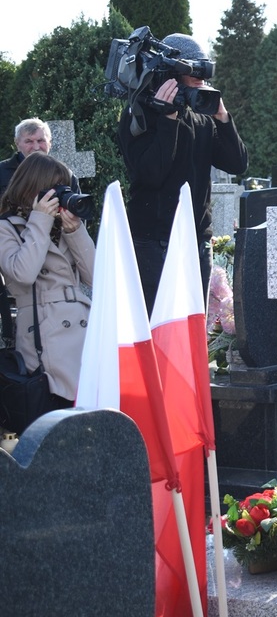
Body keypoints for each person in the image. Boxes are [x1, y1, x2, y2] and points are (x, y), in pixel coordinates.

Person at [118, 33, 248, 315]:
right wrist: (168, 119)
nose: (201, 80)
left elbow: (237, 164)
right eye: (194, 71)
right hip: (154, 243)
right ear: (172, 74)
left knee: (193, 327)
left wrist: (223, 119)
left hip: (196, 241)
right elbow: (151, 174)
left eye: (205, 72)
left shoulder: (201, 117)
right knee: (158, 327)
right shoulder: (138, 113)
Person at [0, 152, 95, 406]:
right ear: (33, 188)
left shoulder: (63, 225)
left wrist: (76, 232)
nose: (61, 194)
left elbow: (96, 277)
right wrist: (40, 219)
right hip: (44, 333)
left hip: (84, 329)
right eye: (55, 188)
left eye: (64, 187)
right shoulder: (6, 228)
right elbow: (24, 273)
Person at [0, 119, 81, 196]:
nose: (36, 147)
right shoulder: (2, 172)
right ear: (17, 143)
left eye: (40, 141)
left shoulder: (64, 174)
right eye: (29, 141)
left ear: (50, 142)